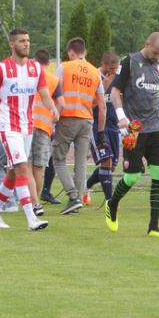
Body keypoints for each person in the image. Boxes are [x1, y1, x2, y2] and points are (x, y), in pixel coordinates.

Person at [0, 28, 58, 231]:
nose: (26, 44)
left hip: (28, 126)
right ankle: (31, 219)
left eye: (28, 40)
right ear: (12, 44)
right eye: (22, 41)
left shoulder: (35, 68)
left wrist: (52, 108)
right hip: (8, 125)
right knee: (22, 168)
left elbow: (44, 94)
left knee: (14, 173)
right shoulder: (1, 69)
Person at [105, 32, 159, 238]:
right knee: (132, 176)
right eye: (154, 53)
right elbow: (115, 91)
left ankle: (154, 226)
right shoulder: (129, 62)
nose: (156, 58)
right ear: (146, 44)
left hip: (157, 129)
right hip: (135, 129)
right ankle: (113, 203)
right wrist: (121, 116)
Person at [51, 37, 106, 214]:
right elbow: (102, 104)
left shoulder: (64, 67)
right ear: (85, 52)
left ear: (70, 52)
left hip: (67, 118)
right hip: (87, 119)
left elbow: (55, 90)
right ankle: (79, 199)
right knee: (80, 162)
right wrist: (101, 131)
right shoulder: (95, 72)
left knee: (58, 159)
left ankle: (73, 196)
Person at [85, 51, 120, 204]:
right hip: (97, 126)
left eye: (116, 69)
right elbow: (89, 103)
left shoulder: (118, 80)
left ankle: (84, 187)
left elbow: (121, 100)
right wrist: (104, 85)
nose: (113, 72)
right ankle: (109, 201)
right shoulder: (94, 77)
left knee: (111, 166)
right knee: (106, 160)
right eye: (112, 69)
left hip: (113, 126)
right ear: (105, 65)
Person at [31, 49, 63, 207]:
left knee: (22, 167)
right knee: (38, 168)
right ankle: (35, 202)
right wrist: (54, 118)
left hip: (25, 125)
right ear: (49, 63)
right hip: (44, 127)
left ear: (33, 61)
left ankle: (17, 200)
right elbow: (61, 103)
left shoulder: (28, 76)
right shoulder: (54, 80)